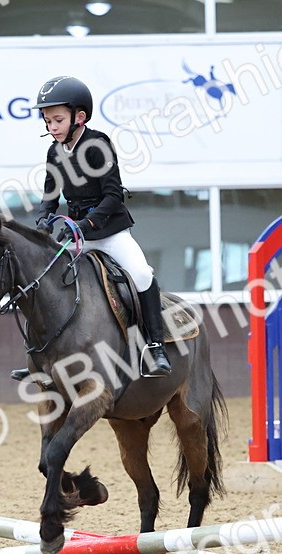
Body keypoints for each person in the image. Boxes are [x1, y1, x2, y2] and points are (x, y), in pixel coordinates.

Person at [18, 75, 172, 380]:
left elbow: (114, 195)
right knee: (43, 281)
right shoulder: (54, 151)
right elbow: (51, 193)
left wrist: (88, 223)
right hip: (77, 234)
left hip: (109, 232)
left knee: (141, 274)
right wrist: (44, 217)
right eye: (48, 121)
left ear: (80, 116)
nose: (52, 127)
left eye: (58, 120)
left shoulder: (97, 144)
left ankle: (155, 345)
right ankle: (41, 356)